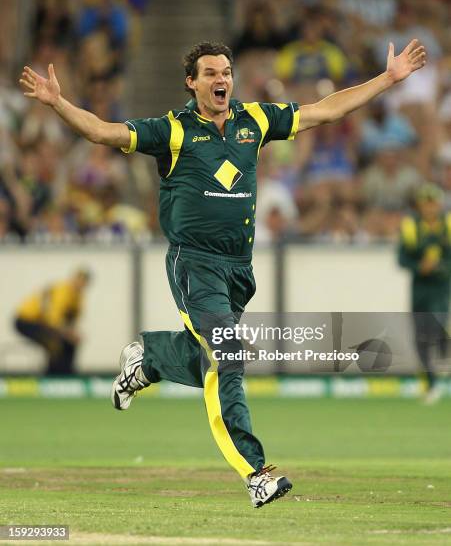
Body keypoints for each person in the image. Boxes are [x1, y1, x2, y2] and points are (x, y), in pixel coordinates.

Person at [19, 38, 426, 507]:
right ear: (191, 83)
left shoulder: (254, 120)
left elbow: (325, 110)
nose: (221, 80)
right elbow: (101, 131)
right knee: (229, 358)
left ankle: (149, 360)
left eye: (226, 72)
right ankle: (255, 472)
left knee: (211, 356)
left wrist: (387, 79)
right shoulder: (172, 131)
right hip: (194, 264)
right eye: (210, 73)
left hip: (239, 270)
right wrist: (58, 103)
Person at [398, 183, 451, 404]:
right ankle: (430, 384)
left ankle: (443, 359)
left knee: (436, 326)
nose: (429, 208)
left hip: (439, 287)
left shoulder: (447, 226)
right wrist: (421, 267)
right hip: (420, 288)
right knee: (421, 336)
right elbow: (402, 259)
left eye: (433, 203)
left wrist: (439, 267)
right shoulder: (411, 226)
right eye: (425, 204)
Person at [14, 269, 91, 375]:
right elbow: (53, 320)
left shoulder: (79, 297)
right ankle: (52, 376)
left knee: (69, 343)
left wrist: (73, 334)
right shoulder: (63, 290)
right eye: (78, 280)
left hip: (42, 323)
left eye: (83, 282)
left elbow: (72, 321)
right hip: (25, 321)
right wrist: (68, 333)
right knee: (54, 342)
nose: (80, 284)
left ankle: (66, 374)